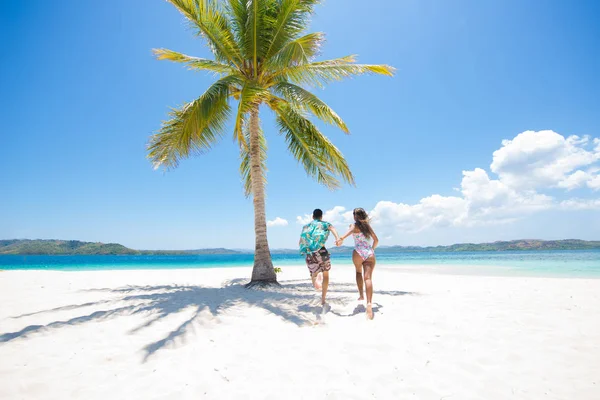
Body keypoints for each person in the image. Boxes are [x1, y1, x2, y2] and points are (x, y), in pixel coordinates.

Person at [336, 208, 379, 319]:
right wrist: (372, 249)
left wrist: (340, 239)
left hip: (358, 252)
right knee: (368, 278)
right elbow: (376, 240)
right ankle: (369, 303)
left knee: (358, 272)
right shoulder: (367, 227)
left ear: (355, 216)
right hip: (369, 252)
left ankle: (361, 295)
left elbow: (346, 234)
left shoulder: (353, 226)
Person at [299, 209, 341, 306]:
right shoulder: (325, 224)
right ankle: (323, 299)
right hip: (322, 251)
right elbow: (332, 229)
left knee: (313, 273)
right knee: (326, 275)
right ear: (321, 217)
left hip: (310, 253)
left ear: (313, 217)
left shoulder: (306, 226)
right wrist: (337, 239)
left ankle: (316, 277)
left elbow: (301, 240)